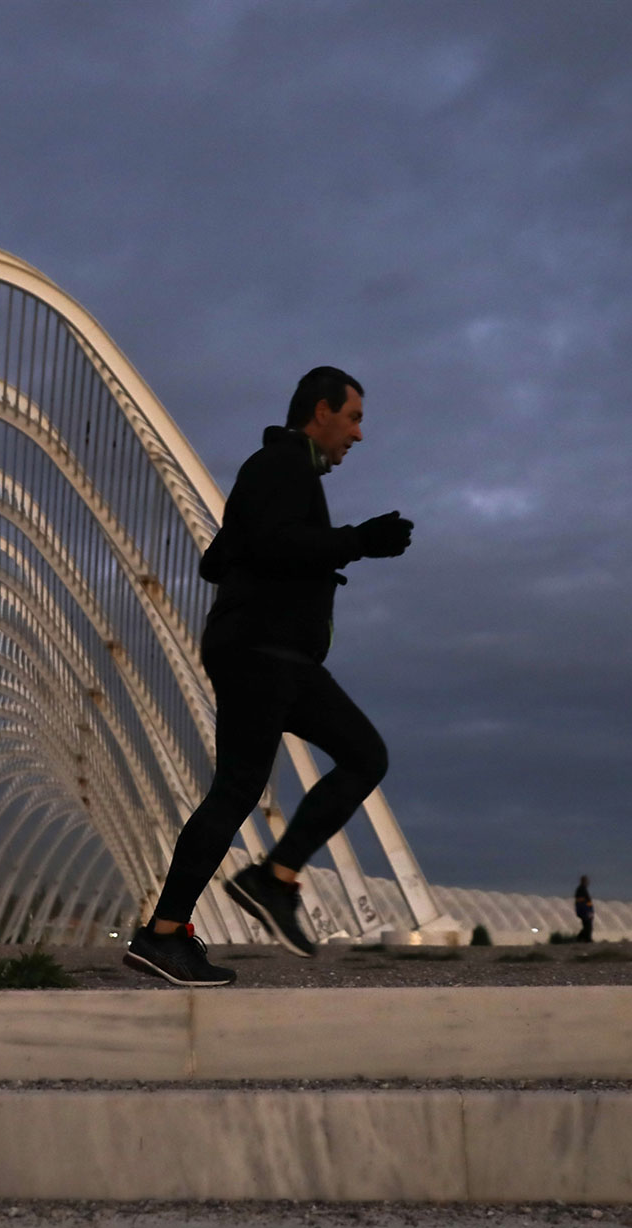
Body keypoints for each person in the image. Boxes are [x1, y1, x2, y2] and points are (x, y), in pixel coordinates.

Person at [122, 366, 413, 986]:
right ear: (321, 410)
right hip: (265, 651)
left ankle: (172, 930)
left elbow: (222, 557)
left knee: (241, 789)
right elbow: (276, 544)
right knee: (358, 756)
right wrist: (358, 541)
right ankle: (258, 886)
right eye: (354, 418)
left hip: (266, 652)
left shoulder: (277, 470)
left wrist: (276, 548)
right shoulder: (281, 466)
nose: (359, 435)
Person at [575, 875, 594, 942]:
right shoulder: (581, 889)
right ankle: (585, 939)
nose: (588, 883)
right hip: (584, 911)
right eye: (586, 881)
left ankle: (582, 939)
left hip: (585, 911)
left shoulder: (582, 889)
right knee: (588, 926)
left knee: (587, 926)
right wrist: (589, 911)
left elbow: (586, 901)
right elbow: (583, 902)